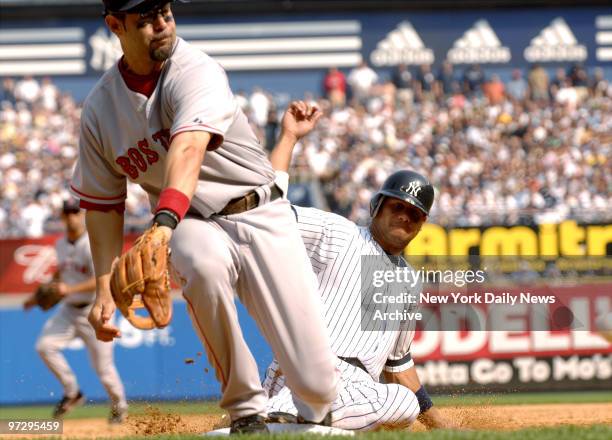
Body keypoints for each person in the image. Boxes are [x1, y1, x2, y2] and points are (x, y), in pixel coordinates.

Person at [70, 0, 338, 434]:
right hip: (191, 223)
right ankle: (247, 410)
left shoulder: (196, 69)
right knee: (197, 258)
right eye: (146, 19)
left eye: (165, 12)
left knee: (317, 382)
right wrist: (103, 289)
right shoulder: (100, 109)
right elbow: (103, 205)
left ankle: (316, 404)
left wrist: (162, 224)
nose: (161, 25)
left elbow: (189, 148)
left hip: (259, 211)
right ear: (115, 25)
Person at [263, 137, 454, 431]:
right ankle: (281, 411)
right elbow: (272, 213)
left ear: (421, 224)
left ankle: (294, 420)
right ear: (377, 206)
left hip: (357, 391)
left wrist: (440, 425)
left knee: (405, 404)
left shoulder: (409, 283)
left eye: (414, 213)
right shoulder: (339, 233)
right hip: (310, 366)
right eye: (396, 206)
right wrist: (288, 137)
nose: (404, 216)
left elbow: (398, 365)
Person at [23, 199, 128, 423]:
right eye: (67, 213)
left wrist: (69, 288)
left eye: (74, 212)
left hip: (95, 309)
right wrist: (34, 298)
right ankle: (73, 392)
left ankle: (119, 407)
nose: (71, 216)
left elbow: (101, 279)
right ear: (62, 217)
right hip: (69, 310)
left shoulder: (92, 243)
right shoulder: (60, 244)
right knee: (44, 346)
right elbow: (61, 274)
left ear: (81, 215)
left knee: (104, 369)